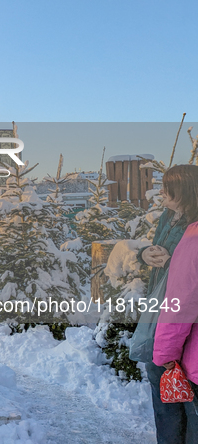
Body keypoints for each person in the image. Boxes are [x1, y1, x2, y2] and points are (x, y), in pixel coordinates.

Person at [137, 164, 198, 444]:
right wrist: (145, 255)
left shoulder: (194, 227)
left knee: (181, 382)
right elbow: (155, 249)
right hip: (162, 311)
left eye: (168, 187)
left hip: (181, 316)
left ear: (186, 191)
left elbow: (189, 274)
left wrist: (175, 263)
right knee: (162, 380)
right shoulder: (169, 217)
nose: (161, 192)